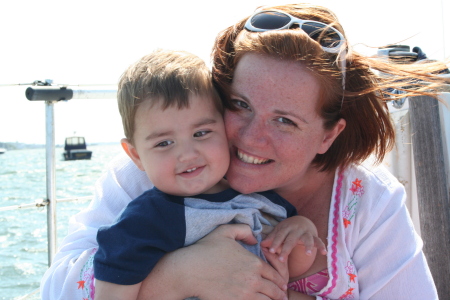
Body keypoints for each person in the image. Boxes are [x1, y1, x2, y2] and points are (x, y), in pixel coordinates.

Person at [40, 3, 447, 300]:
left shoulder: (368, 202)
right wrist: (178, 276)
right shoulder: (158, 169)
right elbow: (55, 290)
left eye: (285, 121)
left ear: (328, 135)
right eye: (240, 105)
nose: (251, 137)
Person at [93, 49, 326, 300]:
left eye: (201, 133)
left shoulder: (261, 198)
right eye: (164, 143)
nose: (187, 154)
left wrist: (301, 226)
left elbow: (292, 266)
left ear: (225, 129)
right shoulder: (148, 221)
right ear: (136, 155)